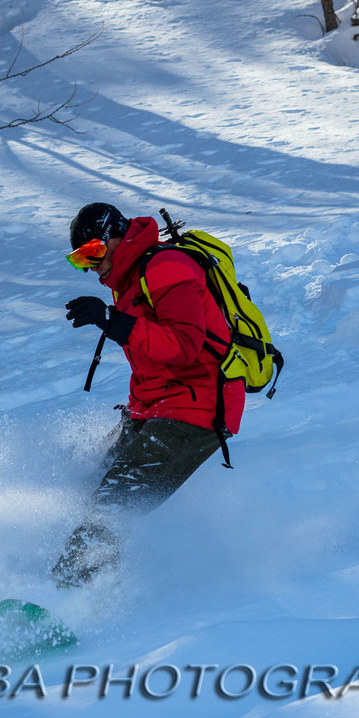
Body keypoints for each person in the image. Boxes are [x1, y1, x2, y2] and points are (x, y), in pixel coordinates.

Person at [52, 202, 245, 587]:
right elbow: (151, 362)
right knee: (89, 483)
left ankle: (70, 596)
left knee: (112, 505)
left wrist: (112, 320)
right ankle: (76, 574)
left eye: (93, 252)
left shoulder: (166, 268)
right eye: (79, 259)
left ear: (116, 235)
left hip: (198, 409)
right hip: (157, 408)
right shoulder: (131, 278)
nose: (90, 265)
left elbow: (183, 345)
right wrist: (134, 412)